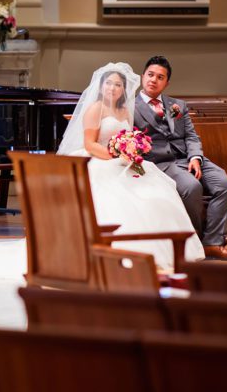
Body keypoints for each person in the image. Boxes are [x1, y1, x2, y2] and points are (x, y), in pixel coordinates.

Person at [56, 62, 205, 271]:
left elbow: (128, 136)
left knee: (159, 193)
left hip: (125, 160)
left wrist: (132, 151)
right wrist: (116, 155)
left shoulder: (125, 110)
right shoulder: (95, 108)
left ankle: (168, 248)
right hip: (100, 159)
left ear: (123, 89)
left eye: (118, 85)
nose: (112, 88)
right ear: (101, 86)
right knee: (118, 201)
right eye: (108, 83)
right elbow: (90, 144)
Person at [135, 56, 227, 260]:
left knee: (224, 184)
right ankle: (201, 239)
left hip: (188, 158)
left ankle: (212, 243)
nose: (153, 80)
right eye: (150, 75)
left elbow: (192, 136)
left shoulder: (177, 105)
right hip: (162, 163)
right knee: (192, 187)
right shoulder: (131, 108)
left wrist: (195, 157)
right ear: (142, 76)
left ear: (166, 83)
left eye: (160, 77)